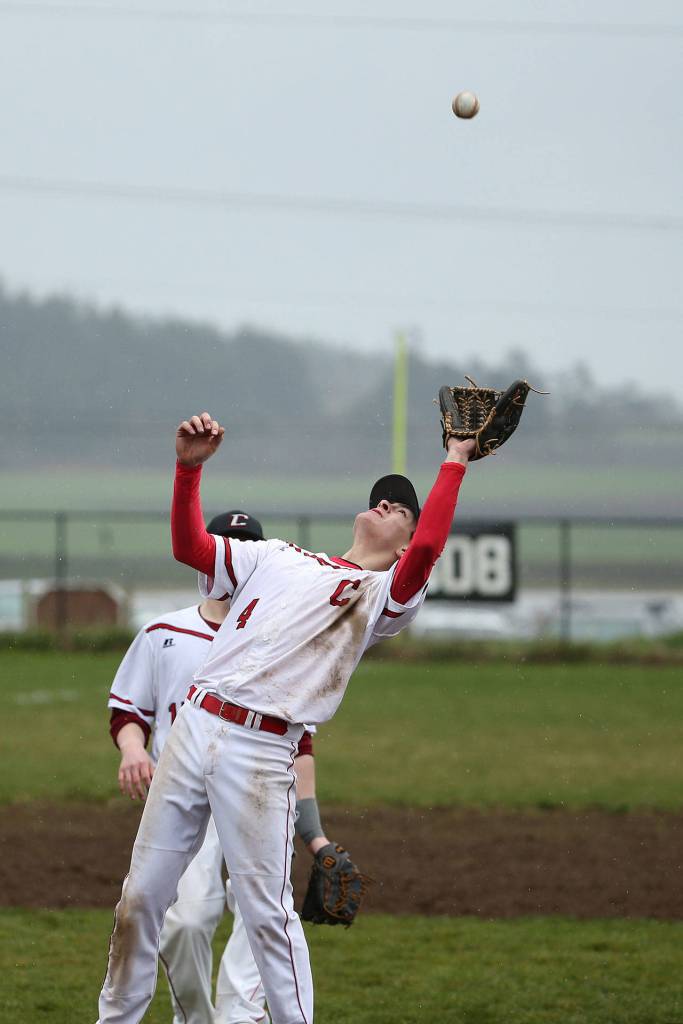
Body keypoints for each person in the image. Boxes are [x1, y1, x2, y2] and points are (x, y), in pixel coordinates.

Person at [97, 410, 474, 1024]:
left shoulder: (383, 597)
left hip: (261, 749)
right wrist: (187, 472)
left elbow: (430, 546)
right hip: (192, 727)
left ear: (405, 542)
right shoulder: (277, 556)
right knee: (140, 900)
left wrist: (454, 459)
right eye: (379, 499)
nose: (384, 504)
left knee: (268, 918)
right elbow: (188, 547)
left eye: (398, 509)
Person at [109, 510, 334, 1024]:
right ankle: (197, 1018)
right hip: (186, 800)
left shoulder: (279, 643)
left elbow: (299, 744)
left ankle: (238, 1017)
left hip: (256, 793)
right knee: (185, 923)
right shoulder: (163, 631)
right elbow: (128, 710)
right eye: (224, 545)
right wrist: (132, 749)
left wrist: (314, 832)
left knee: (262, 922)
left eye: (243, 546)